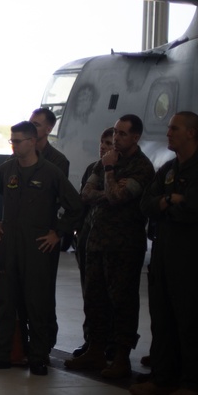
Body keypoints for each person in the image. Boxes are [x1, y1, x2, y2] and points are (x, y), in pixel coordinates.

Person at [0, 121, 82, 376]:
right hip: (8, 244)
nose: (14, 144)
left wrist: (58, 232)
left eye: (18, 140)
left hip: (36, 247)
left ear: (33, 142)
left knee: (37, 303)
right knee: (4, 302)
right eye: (11, 140)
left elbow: (76, 206)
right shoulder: (6, 169)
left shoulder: (50, 172)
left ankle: (38, 356)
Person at [66, 115, 154, 378]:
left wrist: (108, 174)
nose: (116, 138)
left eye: (123, 134)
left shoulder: (141, 167)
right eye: (115, 132)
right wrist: (109, 189)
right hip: (96, 242)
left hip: (124, 247)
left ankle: (121, 358)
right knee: (95, 299)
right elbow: (86, 194)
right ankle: (95, 350)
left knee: (122, 303)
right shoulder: (104, 161)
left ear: (135, 137)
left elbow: (117, 198)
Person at [131, 111, 198, 395]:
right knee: (161, 318)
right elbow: (147, 204)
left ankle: (190, 381)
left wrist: (170, 205)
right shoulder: (168, 169)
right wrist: (168, 200)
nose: (168, 133)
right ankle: (162, 378)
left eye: (174, 128)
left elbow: (193, 210)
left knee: (189, 320)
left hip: (191, 257)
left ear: (191, 133)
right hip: (162, 253)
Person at [69, 127, 114, 359]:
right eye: (102, 142)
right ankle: (92, 340)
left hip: (113, 243)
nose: (103, 147)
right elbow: (83, 200)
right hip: (88, 239)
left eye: (108, 143)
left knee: (112, 297)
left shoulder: (118, 171)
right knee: (91, 294)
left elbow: (114, 198)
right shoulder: (92, 169)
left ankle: (112, 343)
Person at [29, 107, 70, 177]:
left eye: (36, 125)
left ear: (48, 130)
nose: (30, 128)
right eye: (29, 124)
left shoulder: (58, 161)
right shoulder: (20, 154)